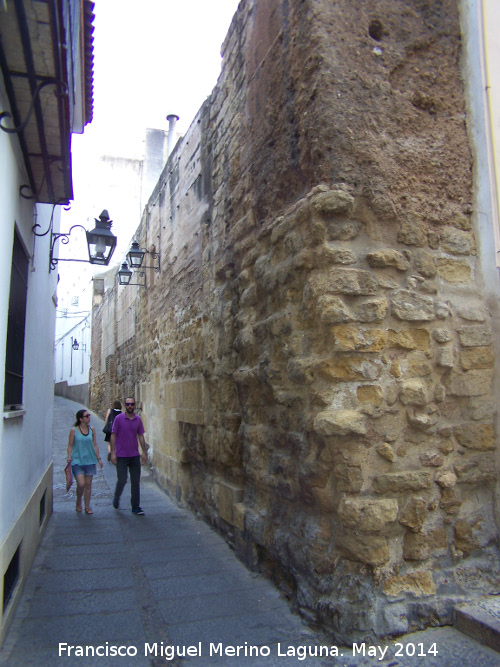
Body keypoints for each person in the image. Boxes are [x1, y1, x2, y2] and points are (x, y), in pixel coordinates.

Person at [110, 397, 147, 515]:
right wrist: (112, 453)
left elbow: (141, 436)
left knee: (135, 482)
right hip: (121, 456)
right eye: (128, 404)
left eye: (132, 404)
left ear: (135, 405)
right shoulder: (118, 419)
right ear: (125, 406)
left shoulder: (138, 420)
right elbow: (113, 435)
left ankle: (135, 506)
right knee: (122, 479)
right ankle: (116, 497)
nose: (130, 406)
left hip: (134, 455)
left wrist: (144, 452)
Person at [67, 408, 103, 514]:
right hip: (77, 461)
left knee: (88, 485)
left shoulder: (92, 430)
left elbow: (95, 444)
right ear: (81, 419)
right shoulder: (74, 430)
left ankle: (87, 506)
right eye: (87, 416)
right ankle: (78, 501)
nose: (89, 417)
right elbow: (70, 445)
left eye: (89, 415)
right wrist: (69, 456)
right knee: (81, 484)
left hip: (90, 460)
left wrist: (99, 458)